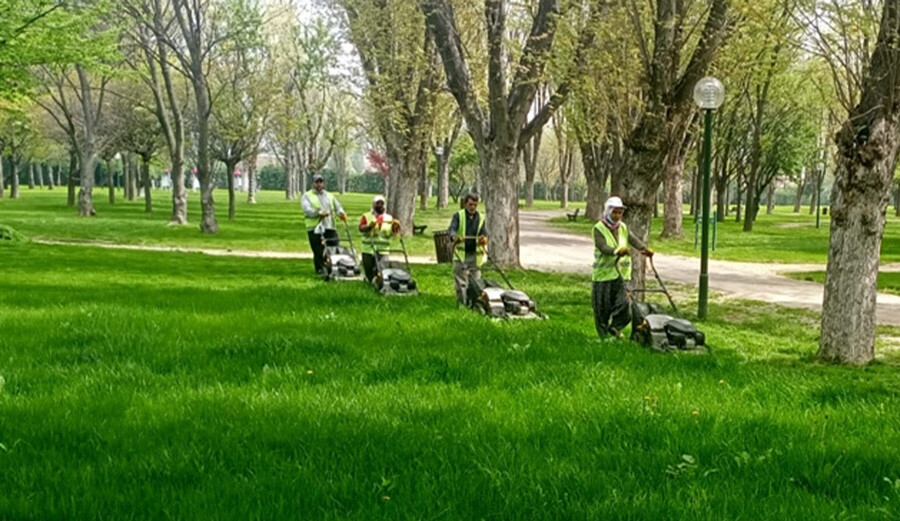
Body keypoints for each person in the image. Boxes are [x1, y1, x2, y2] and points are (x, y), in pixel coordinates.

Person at [592, 196, 653, 338]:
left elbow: (632, 239)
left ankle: (614, 328)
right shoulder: (598, 228)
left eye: (620, 213)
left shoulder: (623, 227)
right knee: (602, 309)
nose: (618, 216)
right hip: (603, 274)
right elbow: (602, 246)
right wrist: (616, 251)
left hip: (622, 274)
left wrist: (644, 249)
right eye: (615, 212)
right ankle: (603, 337)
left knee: (626, 304)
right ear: (608, 211)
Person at [301, 174, 347, 274]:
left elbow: (337, 206)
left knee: (334, 247)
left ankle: (331, 266)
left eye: (320, 182)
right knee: (318, 251)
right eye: (317, 182)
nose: (319, 184)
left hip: (329, 226)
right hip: (315, 228)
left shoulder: (329, 196)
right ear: (313, 183)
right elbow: (307, 209)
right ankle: (320, 269)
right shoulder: (307, 196)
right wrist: (318, 213)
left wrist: (342, 214)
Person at [448, 193, 487, 305]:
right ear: (465, 204)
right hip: (461, 254)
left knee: (476, 282)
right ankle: (462, 304)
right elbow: (452, 229)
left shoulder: (481, 217)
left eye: (475, 205)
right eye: (470, 204)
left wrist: (483, 239)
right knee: (461, 282)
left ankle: (475, 304)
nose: (473, 207)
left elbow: (483, 232)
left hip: (476, 256)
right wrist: (455, 237)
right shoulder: (458, 216)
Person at [359, 195, 401, 283]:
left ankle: (379, 283)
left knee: (382, 269)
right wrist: (369, 226)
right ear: (374, 204)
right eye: (378, 203)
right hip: (368, 248)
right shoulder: (366, 216)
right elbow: (361, 228)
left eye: (382, 203)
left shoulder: (389, 218)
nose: (380, 205)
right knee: (369, 269)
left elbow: (393, 233)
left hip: (383, 249)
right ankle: (369, 281)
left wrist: (395, 227)